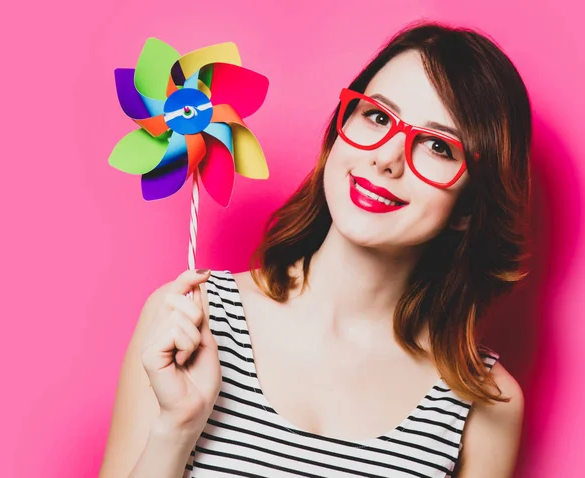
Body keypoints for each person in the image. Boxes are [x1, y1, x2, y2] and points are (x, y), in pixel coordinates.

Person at [99, 20, 532, 478]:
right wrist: (175, 428)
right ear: (341, 130)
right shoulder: (189, 320)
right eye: (378, 116)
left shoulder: (485, 406)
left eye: (437, 146)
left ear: (470, 205)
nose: (387, 158)